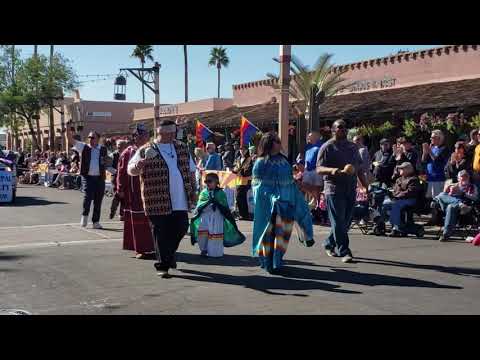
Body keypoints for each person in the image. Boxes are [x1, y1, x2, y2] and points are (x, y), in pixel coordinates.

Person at [128, 119, 197, 278]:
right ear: (161, 132)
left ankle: (167, 255)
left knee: (181, 228)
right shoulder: (146, 149)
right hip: (156, 199)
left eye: (174, 132)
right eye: (170, 133)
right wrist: (140, 165)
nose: (173, 135)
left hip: (180, 199)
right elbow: (131, 170)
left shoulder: (182, 148)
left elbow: (191, 170)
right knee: (161, 233)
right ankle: (163, 266)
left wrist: (194, 189)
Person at [252, 132, 314, 274]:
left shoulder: (284, 160)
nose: (280, 144)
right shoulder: (261, 162)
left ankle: (277, 260)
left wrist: (298, 194)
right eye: (277, 141)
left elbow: (290, 182)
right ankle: (268, 263)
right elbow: (256, 185)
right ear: (269, 143)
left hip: (287, 203)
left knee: (283, 234)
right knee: (269, 234)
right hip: (270, 207)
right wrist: (271, 197)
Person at [316, 119, 368, 263]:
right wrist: (334, 171)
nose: (343, 130)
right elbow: (319, 168)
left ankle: (328, 242)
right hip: (333, 189)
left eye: (345, 127)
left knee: (346, 221)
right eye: (339, 127)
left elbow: (359, 168)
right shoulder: (327, 147)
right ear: (333, 130)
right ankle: (344, 251)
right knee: (338, 221)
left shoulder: (352, 147)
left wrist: (365, 185)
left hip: (350, 188)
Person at [115, 124, 156, 259]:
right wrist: (120, 188)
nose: (144, 138)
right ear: (135, 138)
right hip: (134, 193)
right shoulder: (128, 153)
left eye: (145, 135)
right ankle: (141, 249)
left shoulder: (151, 150)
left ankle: (152, 247)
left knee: (151, 221)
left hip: (150, 191)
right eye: (141, 136)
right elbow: (121, 173)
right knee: (138, 221)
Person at [190, 172, 246, 257]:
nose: (207, 183)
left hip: (217, 217)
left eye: (210, 181)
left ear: (216, 182)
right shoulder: (203, 192)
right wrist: (207, 202)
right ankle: (203, 249)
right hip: (204, 216)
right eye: (206, 181)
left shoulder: (221, 193)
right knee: (202, 233)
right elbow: (199, 205)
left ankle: (215, 252)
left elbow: (224, 207)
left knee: (215, 233)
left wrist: (217, 203)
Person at [67, 128, 110, 229]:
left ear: (98, 139)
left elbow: (106, 162)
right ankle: (84, 216)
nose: (90, 139)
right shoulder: (84, 147)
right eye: (89, 137)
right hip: (88, 177)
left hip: (100, 178)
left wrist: (112, 169)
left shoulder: (103, 149)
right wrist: (68, 129)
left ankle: (96, 221)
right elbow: (70, 139)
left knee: (98, 200)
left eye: (93, 137)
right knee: (88, 197)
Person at [435, 170, 479, 242]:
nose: (464, 179)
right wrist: (446, 191)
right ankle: (459, 203)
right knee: (441, 195)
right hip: (449, 206)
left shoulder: (472, 187)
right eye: (462, 177)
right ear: (458, 179)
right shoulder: (453, 185)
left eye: (466, 177)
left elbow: (475, 198)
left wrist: (463, 193)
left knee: (451, 207)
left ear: (469, 178)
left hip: (462, 207)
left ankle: (446, 234)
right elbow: (442, 197)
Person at [380, 162, 421, 237]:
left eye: (402, 168)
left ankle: (396, 228)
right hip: (398, 199)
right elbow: (395, 190)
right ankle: (381, 225)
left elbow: (410, 192)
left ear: (408, 170)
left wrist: (397, 196)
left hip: (410, 199)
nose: (399, 170)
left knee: (395, 204)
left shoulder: (414, 179)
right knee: (385, 203)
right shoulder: (399, 179)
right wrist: (392, 193)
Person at [422, 129, 450, 200]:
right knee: (429, 199)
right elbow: (424, 160)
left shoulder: (444, 148)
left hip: (438, 179)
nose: (431, 139)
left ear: (439, 138)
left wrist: (429, 151)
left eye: (433, 137)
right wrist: (425, 152)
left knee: (437, 199)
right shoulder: (432, 148)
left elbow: (438, 161)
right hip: (430, 178)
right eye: (431, 137)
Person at [232, 144, 254, 220]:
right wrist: (235, 171)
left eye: (243, 149)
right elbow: (235, 167)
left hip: (246, 180)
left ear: (246, 150)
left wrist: (242, 173)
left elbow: (249, 169)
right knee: (239, 198)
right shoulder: (238, 158)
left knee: (241, 197)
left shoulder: (249, 159)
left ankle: (244, 215)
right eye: (241, 149)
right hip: (238, 180)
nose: (242, 151)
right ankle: (242, 214)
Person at [303, 131, 325, 205]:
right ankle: (314, 199)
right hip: (307, 169)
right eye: (308, 136)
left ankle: (317, 204)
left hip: (316, 169)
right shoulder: (308, 146)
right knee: (305, 185)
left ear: (316, 137)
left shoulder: (321, 145)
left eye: (310, 136)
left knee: (316, 187)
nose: (308, 137)